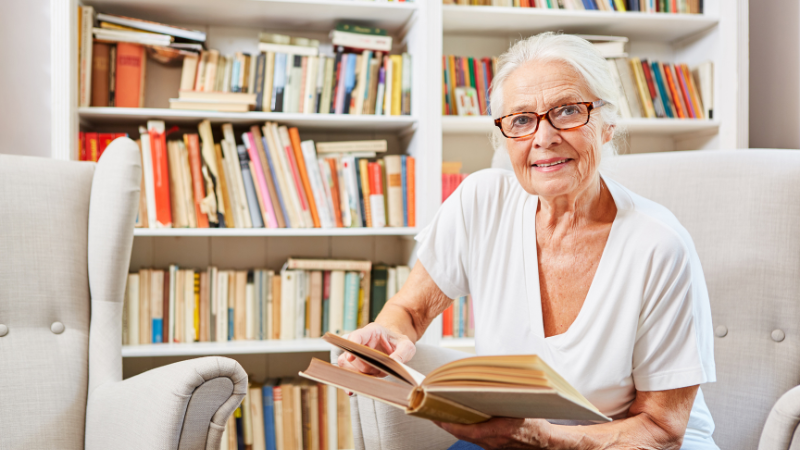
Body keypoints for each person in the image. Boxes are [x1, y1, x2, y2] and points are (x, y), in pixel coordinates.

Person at [338, 32, 717, 449]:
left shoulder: (659, 245)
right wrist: (388, 337)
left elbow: (663, 429)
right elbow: (410, 310)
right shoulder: (480, 201)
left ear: (606, 125)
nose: (544, 137)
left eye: (568, 111)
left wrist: (547, 439)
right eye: (521, 119)